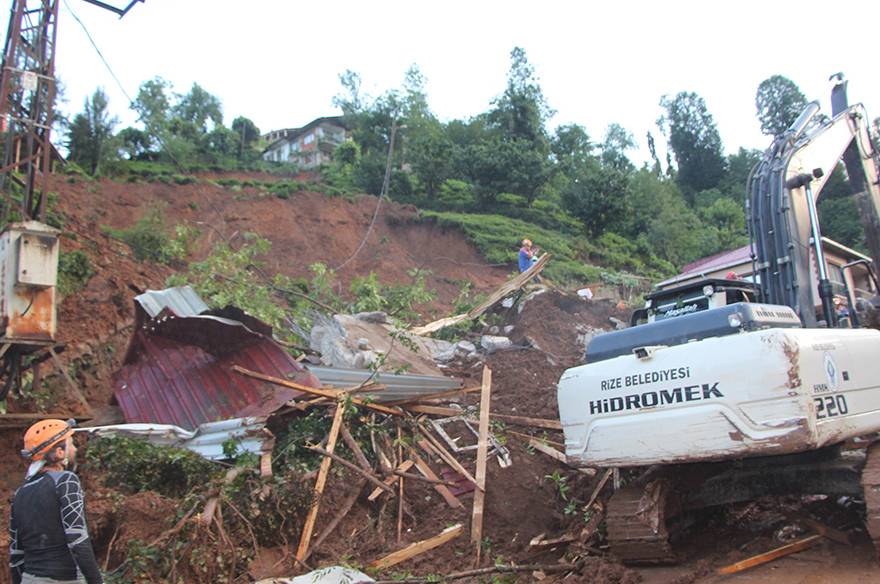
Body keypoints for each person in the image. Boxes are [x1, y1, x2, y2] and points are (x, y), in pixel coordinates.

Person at [9, 419, 102, 584]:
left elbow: (16, 553)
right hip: (64, 579)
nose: (74, 449)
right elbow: (78, 540)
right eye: (71, 444)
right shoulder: (66, 481)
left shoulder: (20, 493)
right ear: (60, 453)